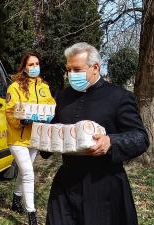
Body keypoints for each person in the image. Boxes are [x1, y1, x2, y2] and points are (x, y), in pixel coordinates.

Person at [43, 42, 149, 225]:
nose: (70, 75)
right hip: (66, 185)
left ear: (95, 67)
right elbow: (54, 130)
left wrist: (111, 142)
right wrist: (39, 134)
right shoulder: (63, 96)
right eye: (68, 70)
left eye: (76, 69)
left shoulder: (119, 97)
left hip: (103, 185)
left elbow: (141, 137)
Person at [6, 52, 56, 225]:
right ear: (24, 67)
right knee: (28, 172)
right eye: (31, 65)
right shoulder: (15, 87)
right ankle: (32, 214)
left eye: (36, 64)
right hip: (17, 138)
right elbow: (10, 112)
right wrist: (21, 120)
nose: (34, 67)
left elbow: (50, 105)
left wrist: (50, 116)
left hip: (34, 137)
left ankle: (16, 200)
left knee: (23, 171)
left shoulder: (44, 86)